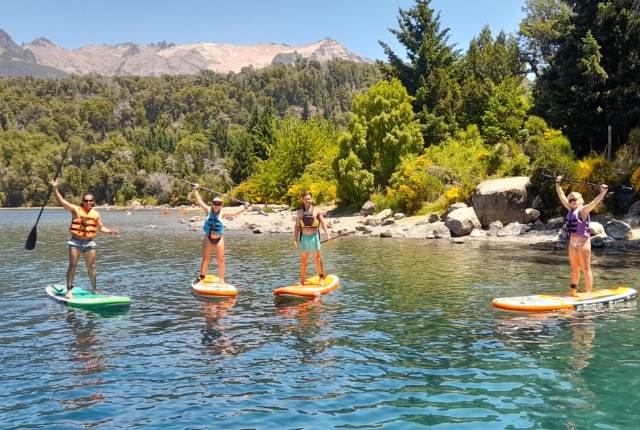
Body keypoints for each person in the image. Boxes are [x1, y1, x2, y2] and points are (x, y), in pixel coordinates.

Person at [49, 179, 119, 299]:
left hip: (89, 242)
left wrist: (111, 232)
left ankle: (94, 289)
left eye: (90, 201)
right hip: (75, 241)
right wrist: (55, 188)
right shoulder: (76, 209)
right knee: (73, 265)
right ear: (83, 201)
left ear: (93, 202)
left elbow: (101, 228)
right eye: (85, 200)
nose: (87, 202)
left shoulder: (96, 214)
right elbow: (61, 201)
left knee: (91, 267)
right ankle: (69, 290)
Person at [555, 176, 608, 296]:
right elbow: (562, 196)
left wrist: (603, 192)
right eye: (571, 200)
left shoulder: (583, 210)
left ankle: (589, 293)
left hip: (583, 242)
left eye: (575, 199)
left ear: (581, 201)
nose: (572, 201)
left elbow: (594, 202)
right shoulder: (569, 209)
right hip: (572, 242)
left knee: (585, 268)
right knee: (575, 269)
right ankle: (573, 292)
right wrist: (558, 183)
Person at [192, 185, 248, 284]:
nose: (217, 206)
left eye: (219, 204)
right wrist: (195, 190)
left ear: (221, 205)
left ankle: (221, 279)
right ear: (212, 204)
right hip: (208, 237)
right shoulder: (208, 210)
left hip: (219, 238)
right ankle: (202, 276)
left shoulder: (223, 212)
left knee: (220, 259)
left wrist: (245, 207)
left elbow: (235, 212)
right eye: (215, 203)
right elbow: (199, 201)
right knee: (206, 258)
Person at [294, 191, 330, 285]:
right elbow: (297, 226)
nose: (307, 200)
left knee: (317, 257)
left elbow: (323, 222)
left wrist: (327, 234)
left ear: (312, 199)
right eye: (305, 199)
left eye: (309, 199)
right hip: (304, 238)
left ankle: (321, 277)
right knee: (304, 259)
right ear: (303, 200)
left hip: (314, 237)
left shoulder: (316, 211)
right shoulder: (300, 212)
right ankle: (302, 280)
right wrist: (295, 239)